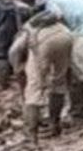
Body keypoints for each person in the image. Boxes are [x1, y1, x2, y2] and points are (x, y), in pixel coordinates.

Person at [33, 0, 83, 123]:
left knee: (77, 71)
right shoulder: (75, 1)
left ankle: (79, 115)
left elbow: (56, 15)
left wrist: (35, 23)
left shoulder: (52, 3)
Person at [9, 12, 73, 143]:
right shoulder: (45, 23)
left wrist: (17, 70)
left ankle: (31, 135)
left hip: (43, 42)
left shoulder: (24, 32)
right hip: (66, 35)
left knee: (34, 87)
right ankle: (55, 125)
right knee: (59, 80)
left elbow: (14, 52)